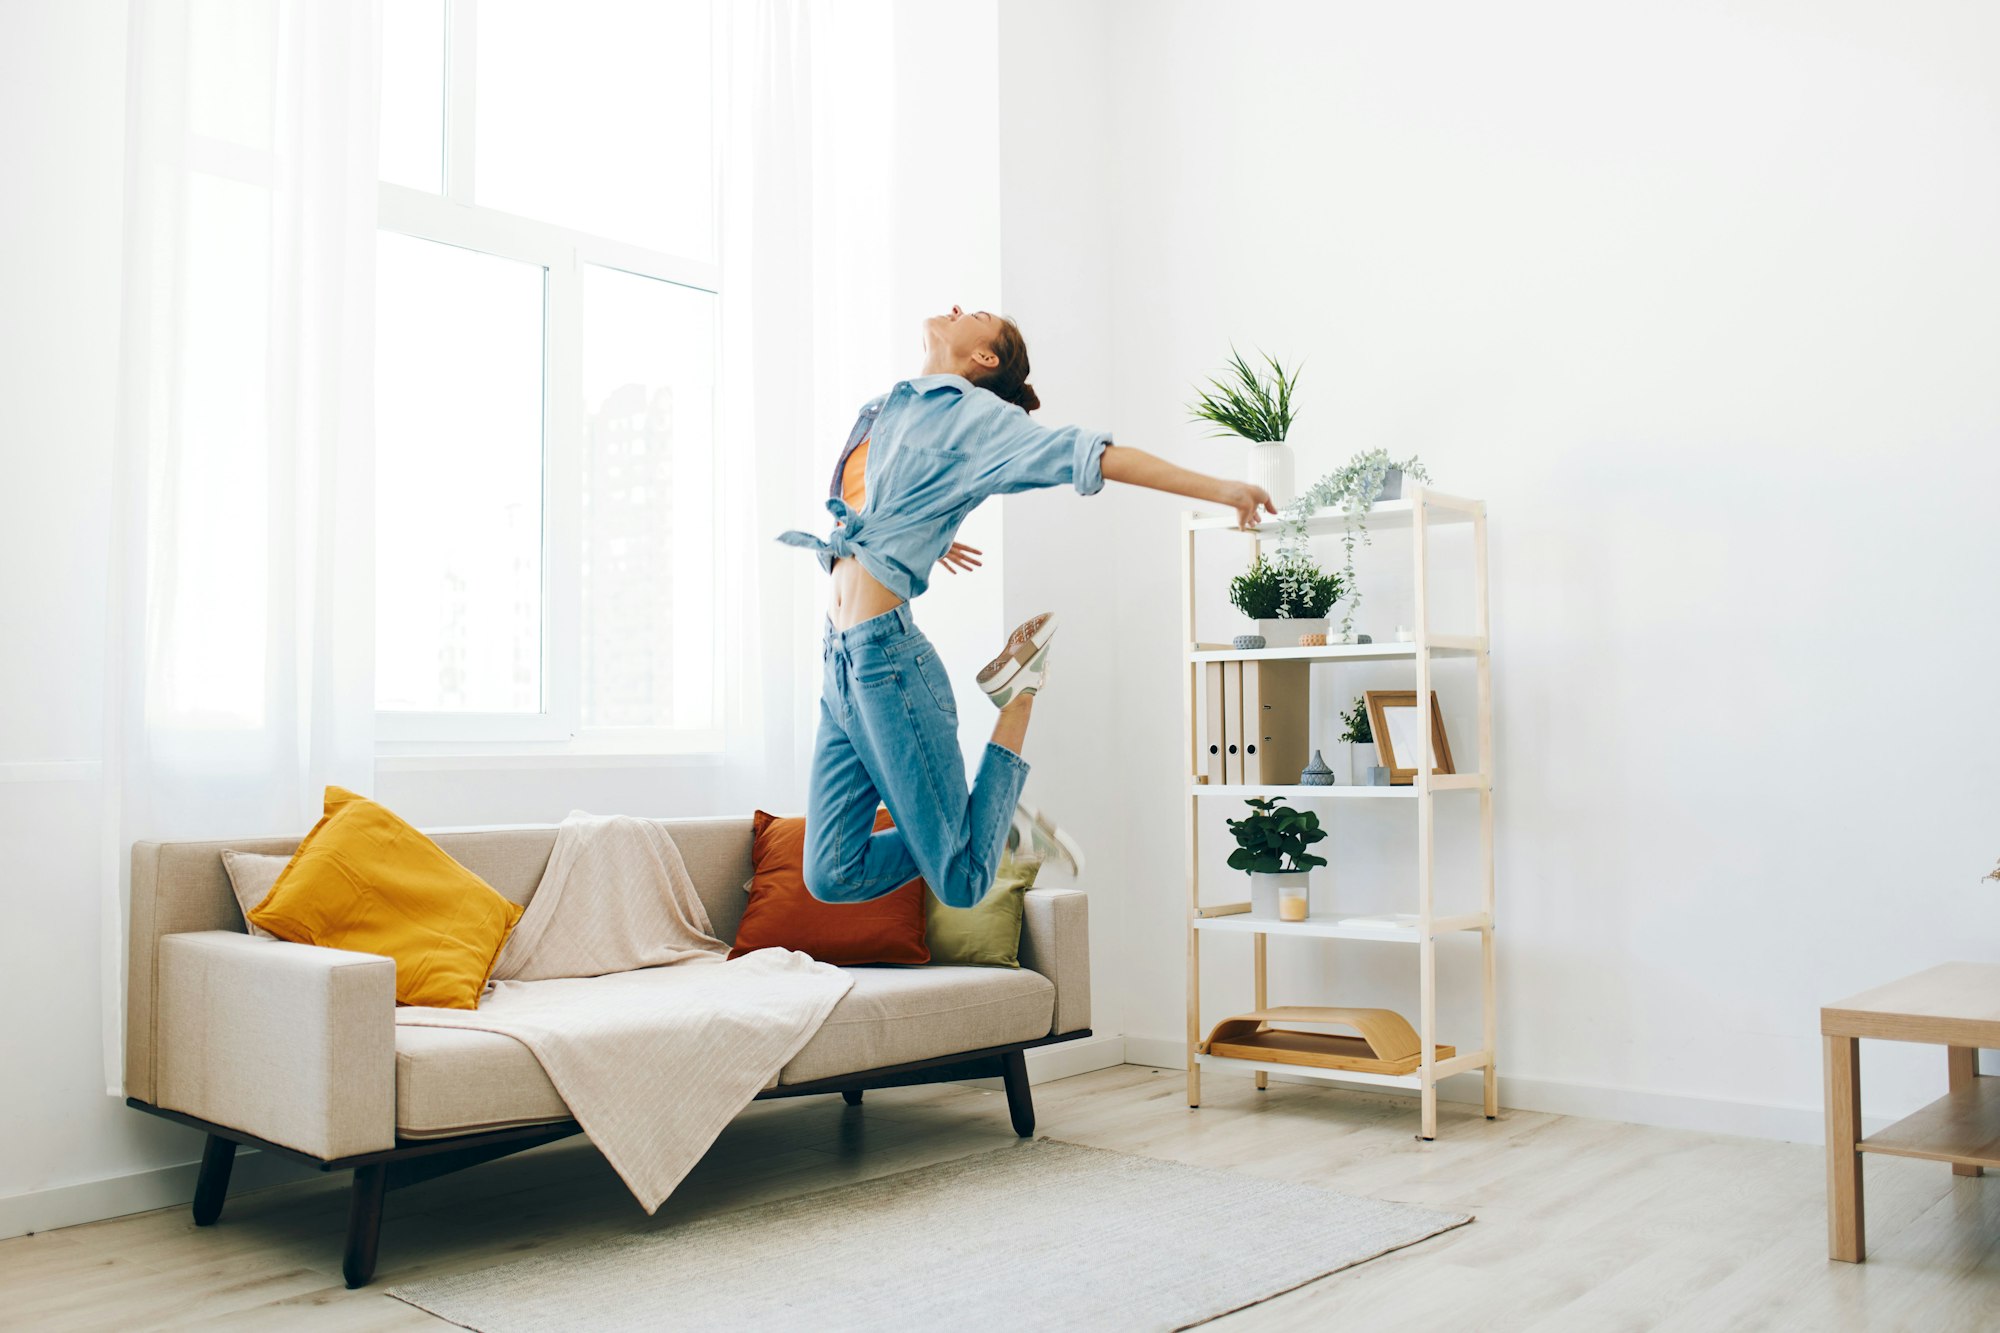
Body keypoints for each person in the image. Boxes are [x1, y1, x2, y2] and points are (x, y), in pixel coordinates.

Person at [778, 304, 1274, 908]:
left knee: (962, 881)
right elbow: (882, 500)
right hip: (837, 661)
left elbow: (1093, 456)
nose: (958, 309)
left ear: (985, 358)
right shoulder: (882, 409)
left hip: (886, 661)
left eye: (977, 314)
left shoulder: (978, 417)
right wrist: (928, 531)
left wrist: (1223, 490)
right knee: (831, 873)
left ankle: (1018, 701)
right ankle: (996, 821)